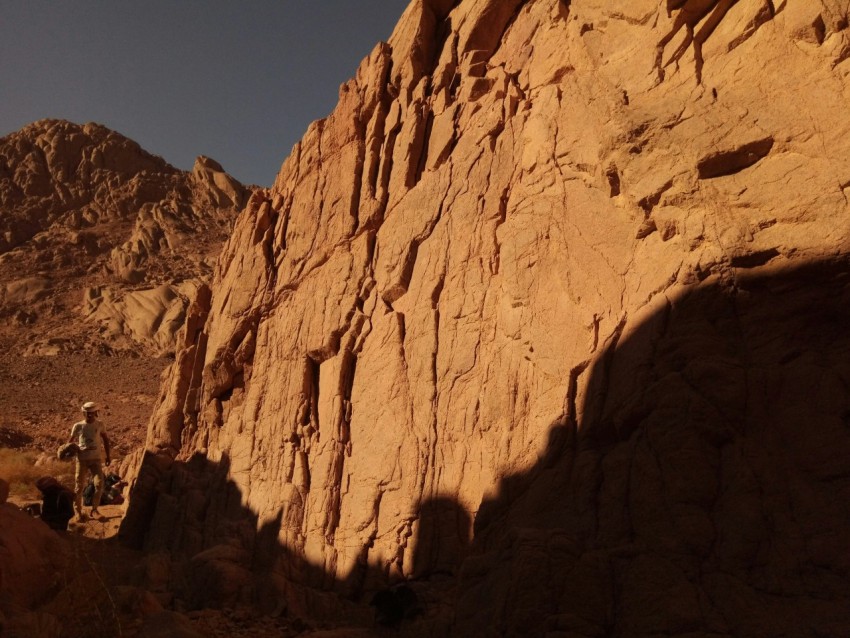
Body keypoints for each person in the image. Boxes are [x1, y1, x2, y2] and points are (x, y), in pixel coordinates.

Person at [68, 401, 111, 520]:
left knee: (99, 484)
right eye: (87, 413)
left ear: (96, 413)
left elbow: (106, 440)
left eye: (92, 413)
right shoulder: (78, 426)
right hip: (82, 460)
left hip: (96, 459)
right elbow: (70, 442)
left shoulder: (100, 424)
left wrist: (108, 456)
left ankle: (95, 510)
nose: (90, 415)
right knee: (79, 486)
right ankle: (78, 512)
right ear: (83, 413)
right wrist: (73, 450)